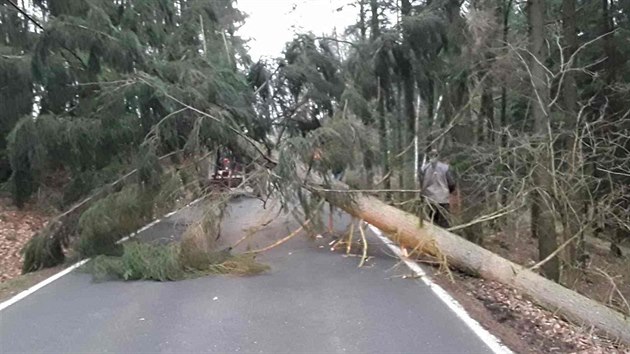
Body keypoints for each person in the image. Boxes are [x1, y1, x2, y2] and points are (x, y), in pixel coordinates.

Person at [420, 149, 458, 228]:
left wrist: (422, 194)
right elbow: (451, 183)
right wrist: (449, 191)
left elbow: (422, 183)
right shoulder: (445, 168)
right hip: (443, 198)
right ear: (438, 156)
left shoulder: (424, 168)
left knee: (432, 221)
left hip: (430, 198)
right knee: (445, 221)